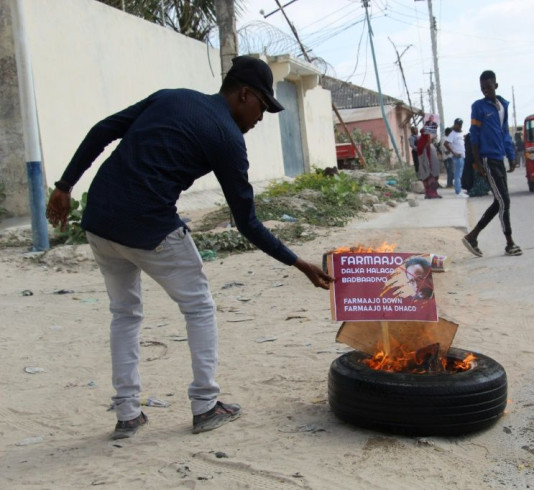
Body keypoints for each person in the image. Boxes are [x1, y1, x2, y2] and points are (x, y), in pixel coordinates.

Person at [45, 56, 333, 440]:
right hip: (148, 225)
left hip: (98, 218)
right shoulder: (228, 139)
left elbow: (103, 129)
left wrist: (65, 185)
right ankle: (205, 405)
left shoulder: (171, 97)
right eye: (262, 106)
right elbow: (247, 223)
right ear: (243, 94)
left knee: (125, 313)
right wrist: (298, 263)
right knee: (198, 306)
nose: (261, 118)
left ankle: (128, 414)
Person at [461, 70, 521, 258]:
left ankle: (472, 236)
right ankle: (509, 243)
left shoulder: (502, 106)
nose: (485, 90)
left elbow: (504, 133)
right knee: (504, 201)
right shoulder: (478, 107)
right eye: (482, 88)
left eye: (488, 87)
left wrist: (511, 156)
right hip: (487, 159)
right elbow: (474, 136)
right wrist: (477, 162)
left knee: (500, 201)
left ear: (495, 85)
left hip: (499, 158)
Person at [416, 127, 442, 199]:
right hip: (427, 167)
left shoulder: (429, 143)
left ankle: (433, 193)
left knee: (432, 179)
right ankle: (430, 194)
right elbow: (423, 154)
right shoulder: (423, 142)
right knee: (429, 180)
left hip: (432, 167)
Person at [444, 118, 467, 197]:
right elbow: (446, 144)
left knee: (460, 174)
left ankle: (459, 188)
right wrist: (454, 153)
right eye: (458, 124)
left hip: (462, 156)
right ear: (455, 124)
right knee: (457, 175)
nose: (460, 126)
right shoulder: (452, 133)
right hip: (457, 157)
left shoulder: (460, 133)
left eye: (461, 125)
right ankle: (458, 192)